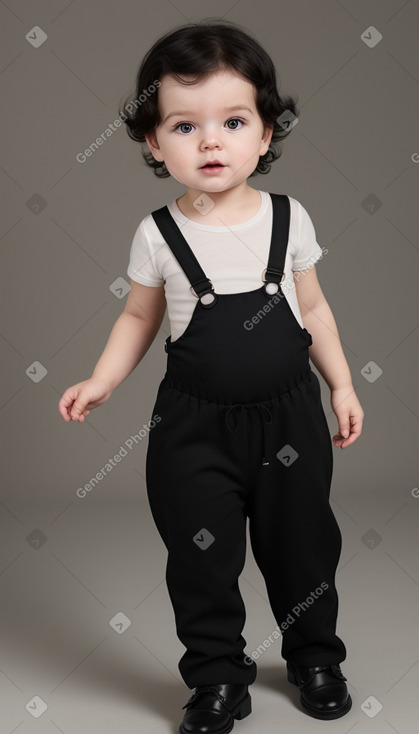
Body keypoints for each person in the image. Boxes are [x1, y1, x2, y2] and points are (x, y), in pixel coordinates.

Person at [58, 19, 364, 734]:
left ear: (264, 133)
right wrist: (103, 379)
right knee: (200, 558)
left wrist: (343, 385)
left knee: (302, 546)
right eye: (184, 125)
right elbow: (137, 319)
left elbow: (313, 309)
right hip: (192, 429)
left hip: (290, 419)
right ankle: (217, 678)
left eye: (232, 120)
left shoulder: (288, 220)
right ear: (153, 143)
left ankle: (316, 656)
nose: (211, 141)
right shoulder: (157, 233)